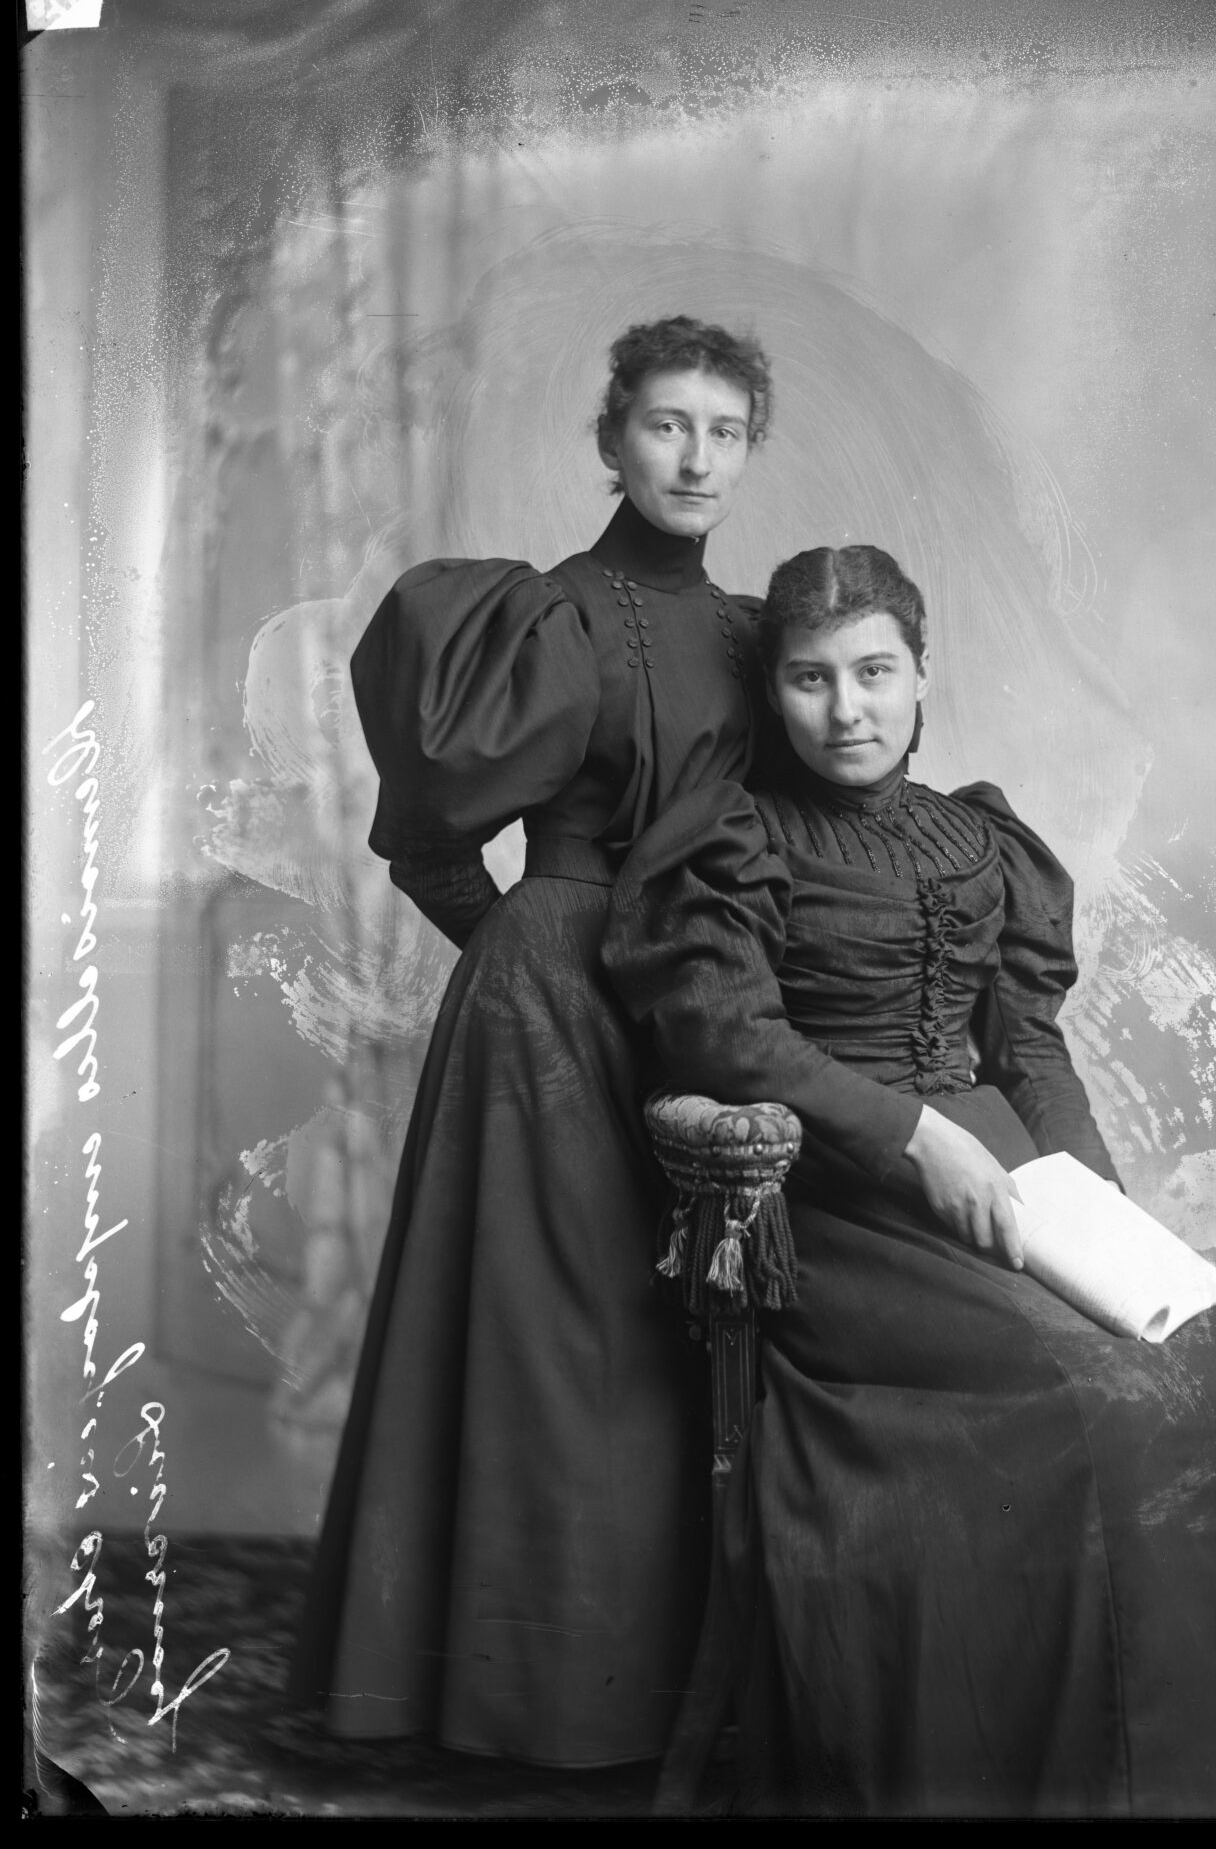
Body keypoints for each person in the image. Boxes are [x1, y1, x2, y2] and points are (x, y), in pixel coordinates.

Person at [603, 544, 1216, 1817]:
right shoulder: (735, 836)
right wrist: (911, 1135)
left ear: (919, 674)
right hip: (838, 1199)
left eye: (873, 672)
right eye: (809, 678)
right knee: (1103, 1405)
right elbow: (727, 1038)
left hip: (1007, 1180)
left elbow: (1026, 1048)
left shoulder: (976, 835)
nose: (846, 710)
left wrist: (1098, 1210)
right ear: (772, 691)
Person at [289, 316, 775, 1768]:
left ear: (750, 452)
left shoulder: (760, 637)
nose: (694, 457)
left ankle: (666, 1691)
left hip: (704, 1002)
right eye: (667, 425)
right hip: (552, 1011)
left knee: (682, 1345)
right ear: (611, 438)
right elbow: (430, 843)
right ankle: (526, 1707)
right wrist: (532, 946)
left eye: (725, 432)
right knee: (552, 1344)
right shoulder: (545, 616)